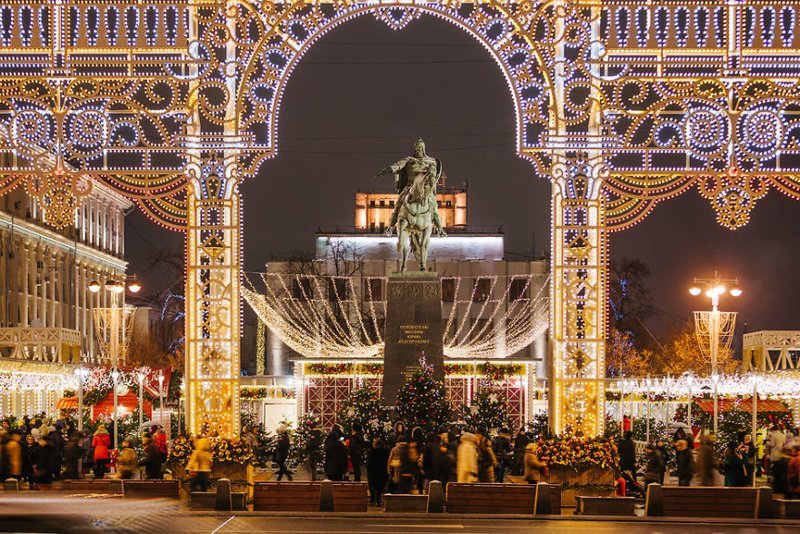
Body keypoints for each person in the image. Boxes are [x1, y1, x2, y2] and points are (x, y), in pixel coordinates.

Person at [366, 438, 389, 506]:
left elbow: (369, 463)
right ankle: (378, 499)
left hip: (373, 471)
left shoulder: (371, 452)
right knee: (380, 486)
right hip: (382, 470)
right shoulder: (385, 452)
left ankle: (373, 498)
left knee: (372, 485)